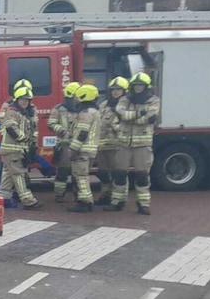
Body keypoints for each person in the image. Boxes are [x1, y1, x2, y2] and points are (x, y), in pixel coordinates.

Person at [108, 71, 159, 215]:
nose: (137, 87)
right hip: (123, 143)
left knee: (142, 176)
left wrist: (130, 117)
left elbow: (149, 118)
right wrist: (139, 114)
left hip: (142, 144)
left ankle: (143, 204)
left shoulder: (153, 100)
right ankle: (117, 202)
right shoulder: (125, 99)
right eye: (135, 85)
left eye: (140, 85)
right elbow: (121, 114)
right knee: (119, 174)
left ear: (146, 87)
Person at [0, 80, 43, 210]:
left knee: (8, 175)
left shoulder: (25, 112)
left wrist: (33, 144)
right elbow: (10, 127)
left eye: (27, 100)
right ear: (17, 99)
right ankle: (28, 201)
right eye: (23, 100)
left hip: (17, 149)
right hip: (13, 149)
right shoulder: (12, 111)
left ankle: (2, 198)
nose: (25, 102)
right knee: (18, 174)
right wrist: (24, 138)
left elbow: (32, 128)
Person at [66, 84, 101, 212]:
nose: (75, 99)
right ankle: (87, 201)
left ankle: (85, 202)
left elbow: (82, 133)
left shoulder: (85, 113)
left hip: (82, 150)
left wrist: (73, 149)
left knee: (81, 177)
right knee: (84, 176)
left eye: (77, 96)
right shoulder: (94, 111)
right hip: (90, 150)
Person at [94, 77, 128, 205]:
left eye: (118, 89)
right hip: (102, 145)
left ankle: (119, 199)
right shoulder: (104, 105)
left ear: (124, 91)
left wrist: (115, 127)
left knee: (118, 173)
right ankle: (105, 196)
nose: (115, 92)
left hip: (117, 145)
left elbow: (127, 125)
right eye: (113, 89)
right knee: (103, 173)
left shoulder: (127, 106)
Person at [49, 82, 80, 203]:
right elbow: (51, 123)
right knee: (63, 170)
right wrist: (62, 130)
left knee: (78, 172)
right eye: (77, 95)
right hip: (64, 144)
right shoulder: (58, 109)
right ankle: (59, 194)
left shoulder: (83, 109)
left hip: (79, 145)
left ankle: (78, 194)